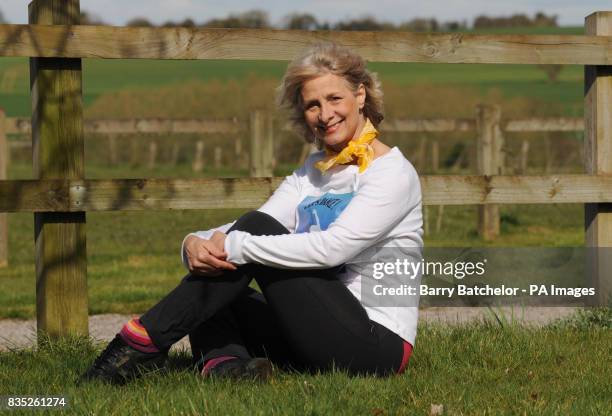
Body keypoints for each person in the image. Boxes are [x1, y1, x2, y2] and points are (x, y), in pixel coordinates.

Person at [81, 42, 423, 384]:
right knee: (223, 285)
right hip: (314, 330)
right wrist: (194, 243)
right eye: (313, 105)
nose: (325, 113)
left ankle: (138, 343)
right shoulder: (312, 171)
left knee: (250, 239)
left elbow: (333, 248)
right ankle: (225, 367)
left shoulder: (391, 172)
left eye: (335, 99)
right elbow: (257, 221)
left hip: (375, 346)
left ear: (360, 95)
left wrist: (235, 247)